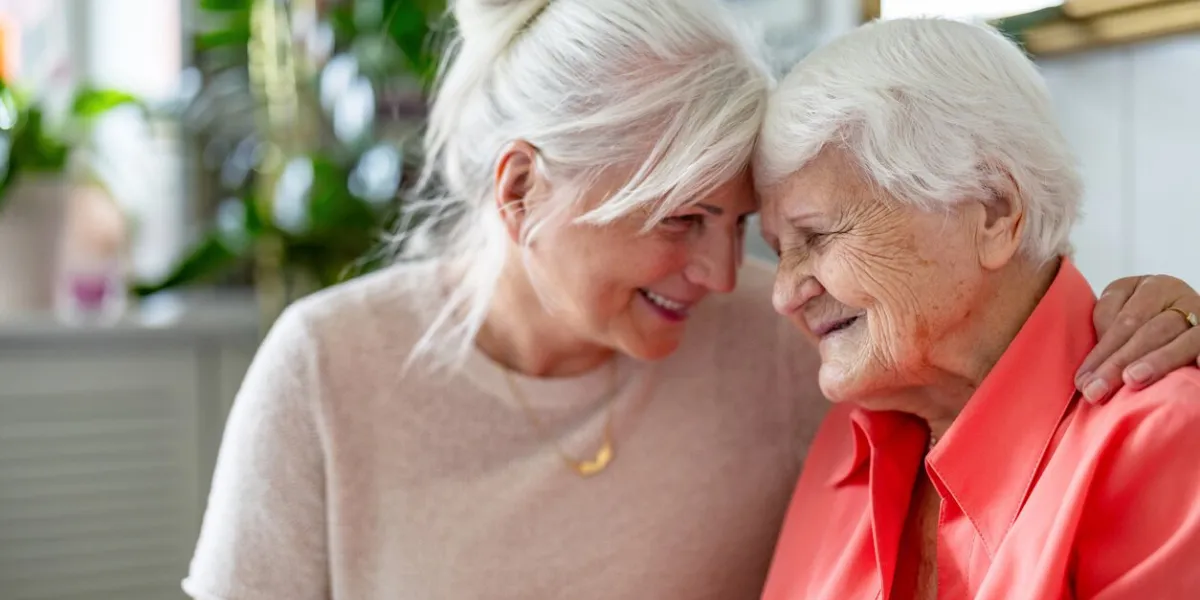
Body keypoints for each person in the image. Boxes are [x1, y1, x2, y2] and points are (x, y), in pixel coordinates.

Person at [183, 2, 1200, 599]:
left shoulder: (794, 355)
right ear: (522, 188)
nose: (729, 281)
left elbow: (1005, 328)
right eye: (678, 220)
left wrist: (1164, 311)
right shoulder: (324, 367)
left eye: (740, 225)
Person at [758, 17, 1200, 600]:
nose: (784, 294)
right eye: (776, 251)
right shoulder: (848, 439)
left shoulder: (1163, 441)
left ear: (993, 210)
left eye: (815, 237)